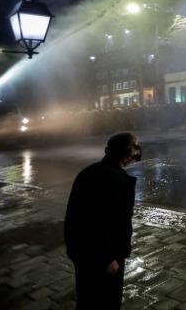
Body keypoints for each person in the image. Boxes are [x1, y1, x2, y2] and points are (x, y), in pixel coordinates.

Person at [64, 133, 142, 310]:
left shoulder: (89, 171)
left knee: (86, 298)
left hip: (82, 252)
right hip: (103, 257)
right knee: (106, 301)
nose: (137, 152)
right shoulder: (114, 180)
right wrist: (108, 258)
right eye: (135, 147)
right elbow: (101, 222)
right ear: (125, 151)